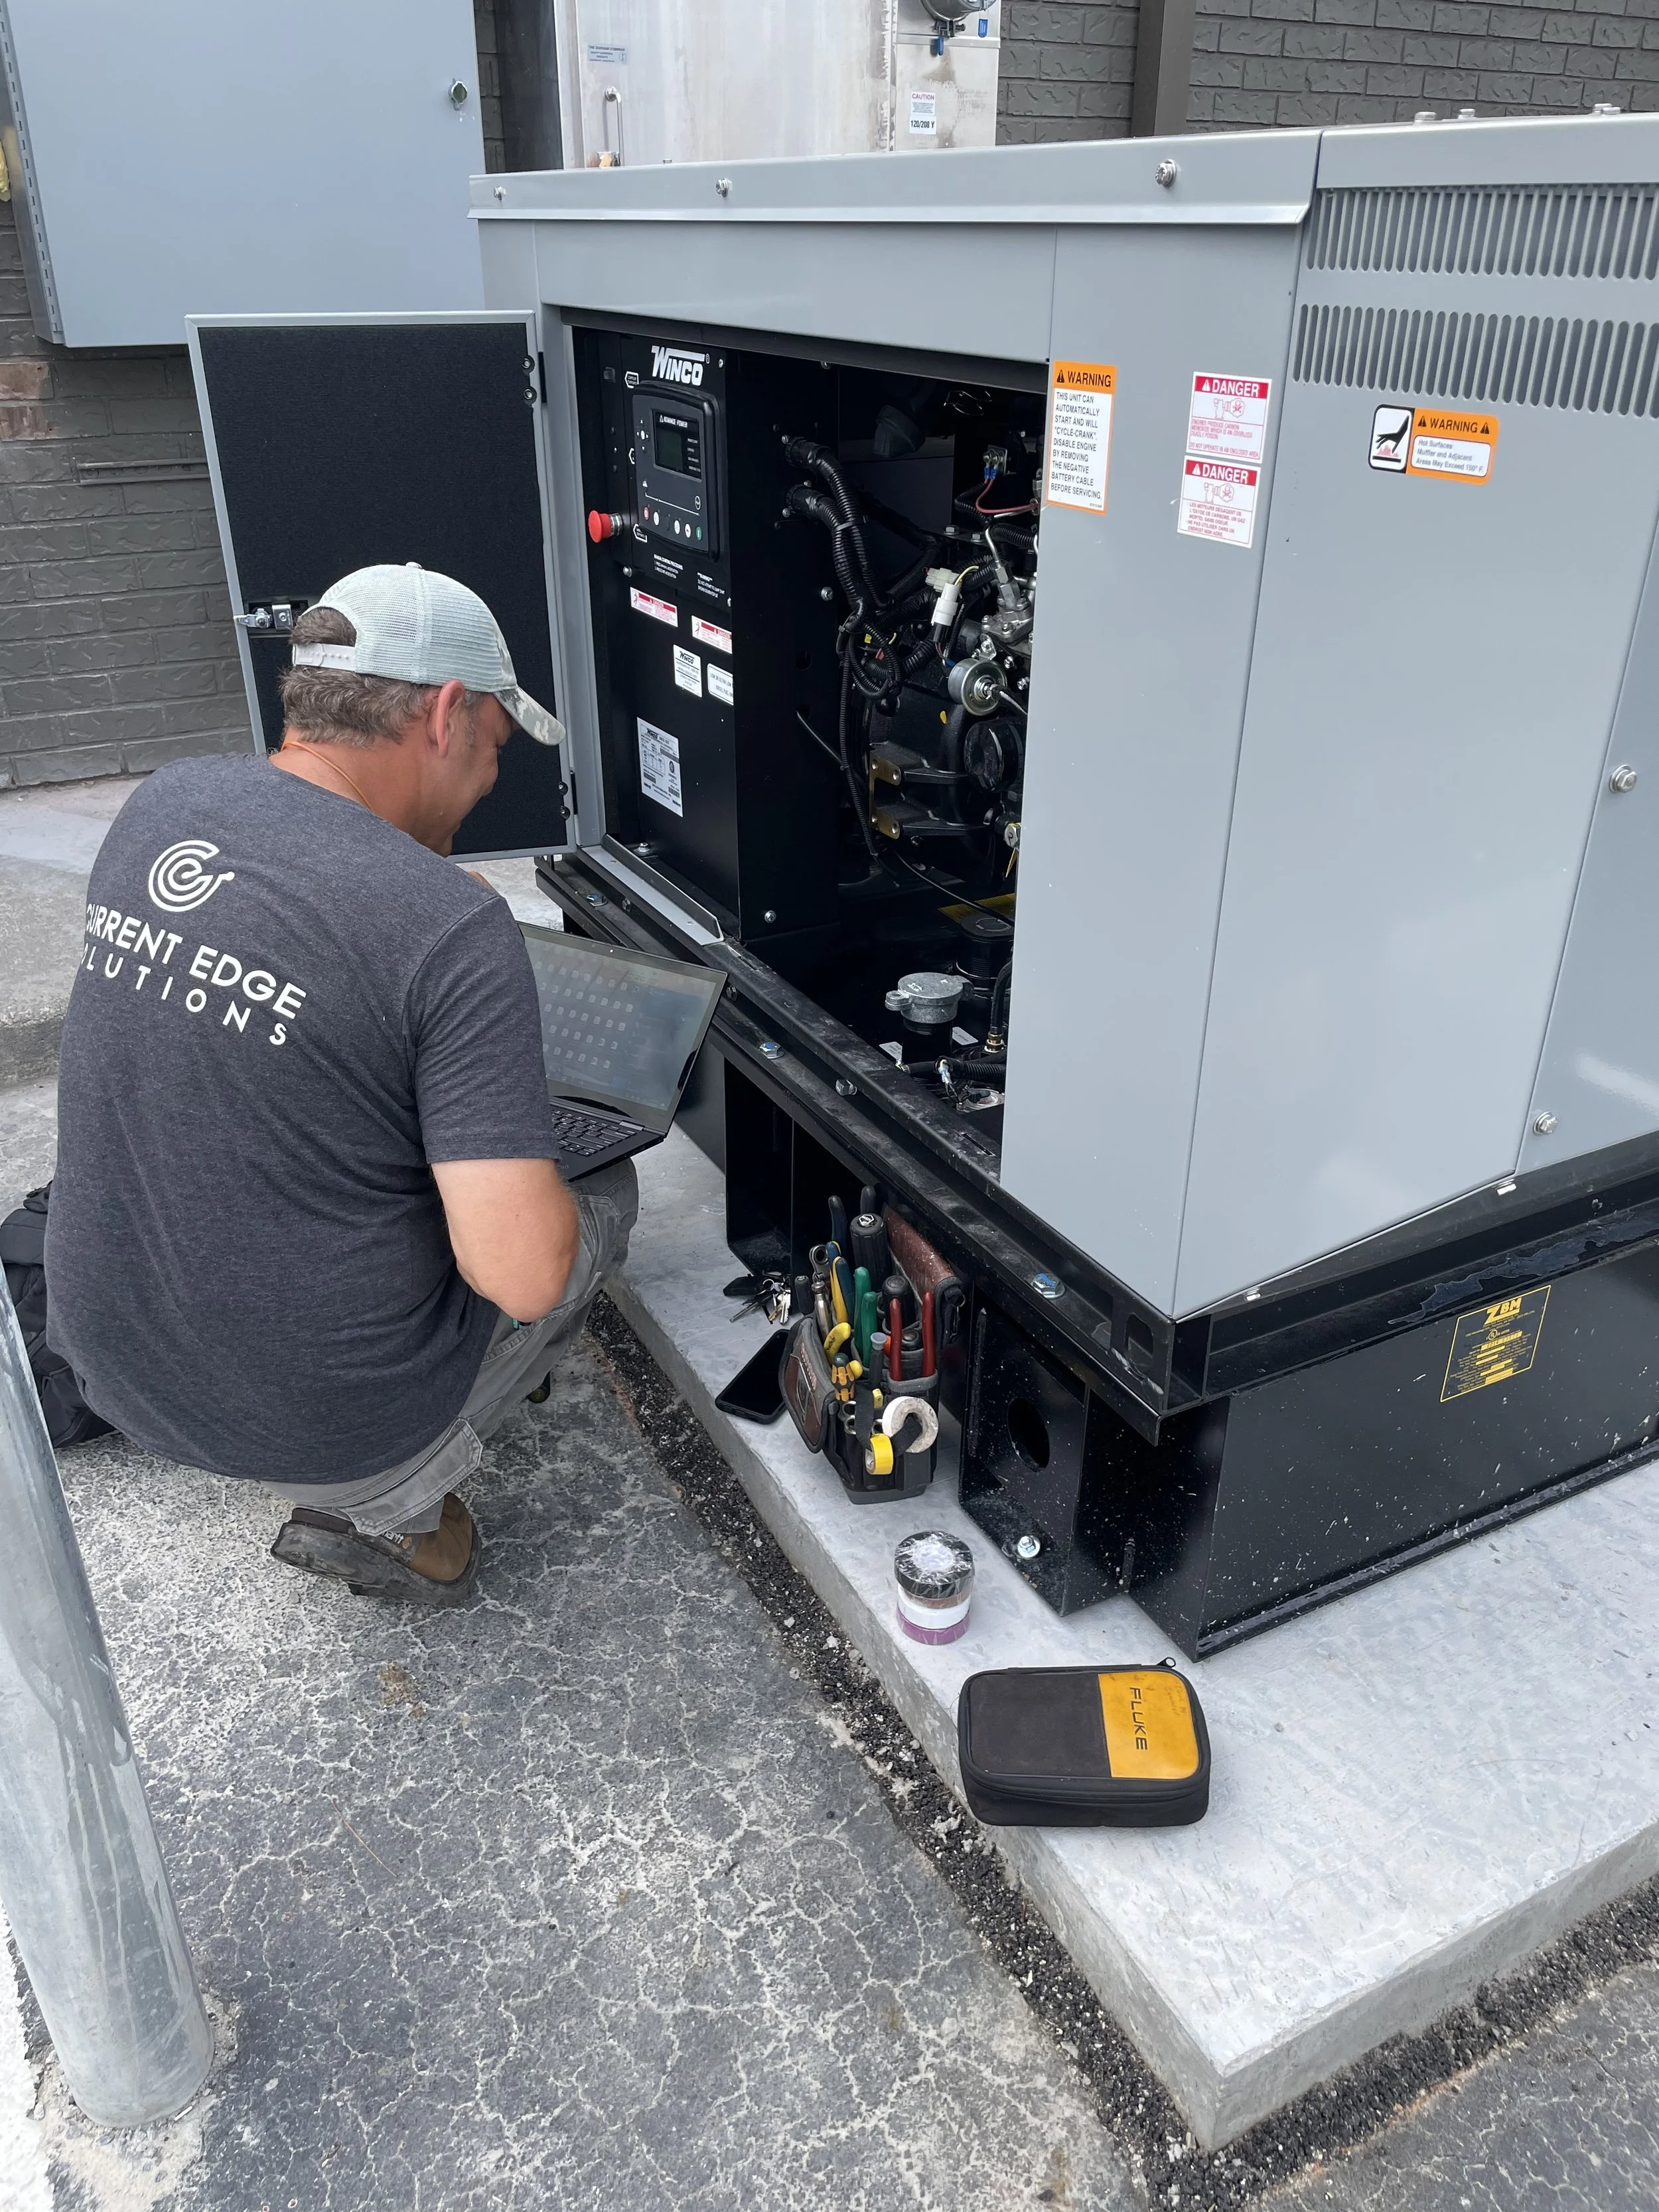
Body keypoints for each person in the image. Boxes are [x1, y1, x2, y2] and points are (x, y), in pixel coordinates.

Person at [46, 563, 637, 1607]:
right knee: (600, 1203)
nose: (492, 783)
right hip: (330, 1428)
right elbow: (525, 1277)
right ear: (447, 714)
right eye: (497, 749)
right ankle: (399, 1504)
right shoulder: (449, 929)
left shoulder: (167, 801)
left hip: (107, 1361)